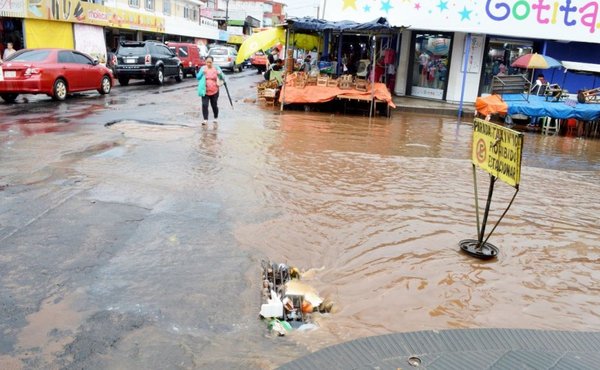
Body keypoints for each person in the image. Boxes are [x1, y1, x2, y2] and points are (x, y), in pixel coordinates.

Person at [196, 56, 225, 125]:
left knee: (214, 105)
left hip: (215, 90)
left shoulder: (216, 68)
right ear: (205, 62)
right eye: (207, 62)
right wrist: (202, 73)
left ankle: (215, 117)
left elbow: (222, 77)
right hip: (205, 90)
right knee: (204, 104)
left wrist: (219, 74)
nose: (209, 64)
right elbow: (198, 77)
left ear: (213, 62)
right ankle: (205, 119)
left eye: (210, 62)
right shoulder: (203, 68)